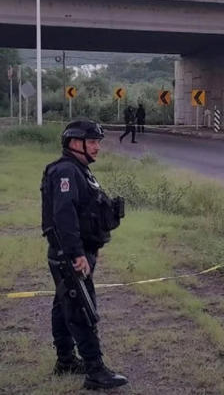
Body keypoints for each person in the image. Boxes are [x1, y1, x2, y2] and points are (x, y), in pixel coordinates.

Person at [40, 120, 128, 390]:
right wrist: (77, 254)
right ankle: (95, 370)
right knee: (82, 308)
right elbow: (64, 217)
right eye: (92, 142)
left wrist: (93, 249)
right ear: (75, 144)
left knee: (63, 305)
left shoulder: (81, 170)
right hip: (69, 255)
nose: (97, 147)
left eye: (97, 142)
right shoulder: (66, 171)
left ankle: (66, 360)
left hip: (78, 252)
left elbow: (88, 214)